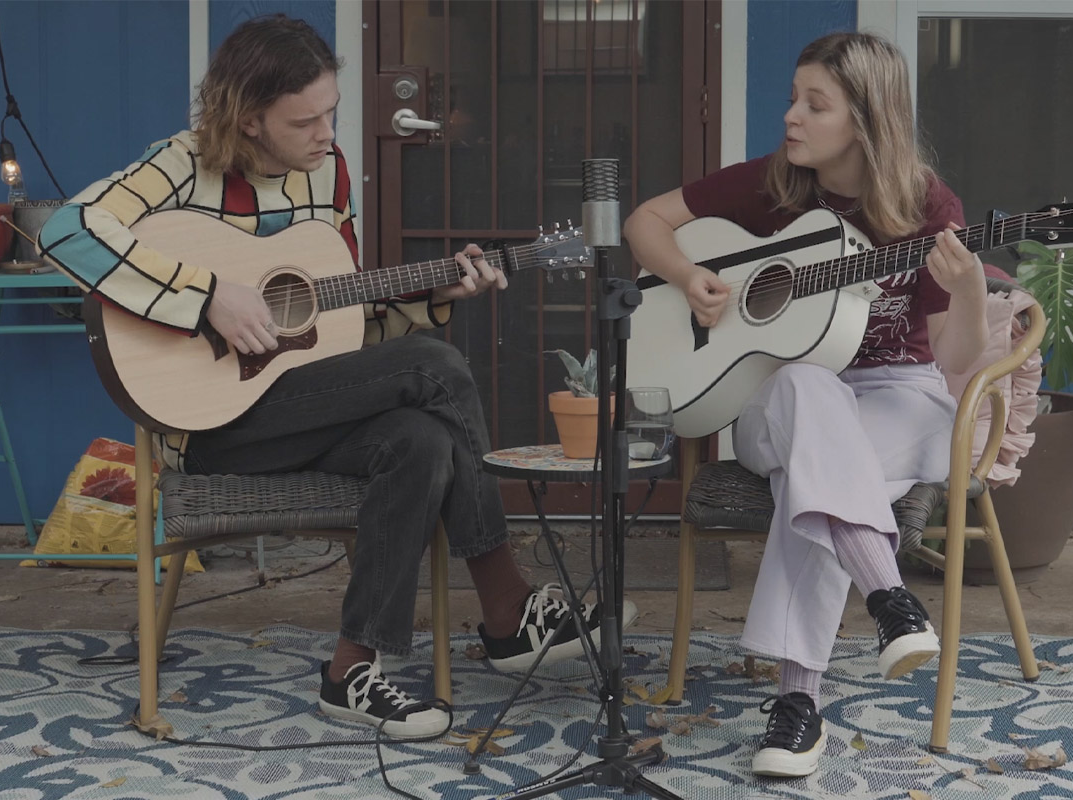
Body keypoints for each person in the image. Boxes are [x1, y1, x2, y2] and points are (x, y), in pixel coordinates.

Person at [38, 15, 631, 739]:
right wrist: (207, 296)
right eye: (306, 120)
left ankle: (349, 671)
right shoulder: (180, 164)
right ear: (249, 120)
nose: (326, 134)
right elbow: (64, 232)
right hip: (210, 431)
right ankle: (507, 607)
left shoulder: (331, 173)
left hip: (303, 407)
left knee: (422, 435)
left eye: (332, 114)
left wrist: (439, 295)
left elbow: (343, 333)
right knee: (436, 367)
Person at [624, 32, 987, 778]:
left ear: (865, 119)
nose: (791, 116)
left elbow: (953, 362)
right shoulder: (775, 184)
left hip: (899, 398)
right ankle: (887, 593)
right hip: (783, 398)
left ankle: (798, 708)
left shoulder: (927, 206)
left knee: (811, 479)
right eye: (795, 97)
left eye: (813, 104)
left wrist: (973, 291)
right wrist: (690, 276)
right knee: (807, 389)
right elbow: (644, 224)